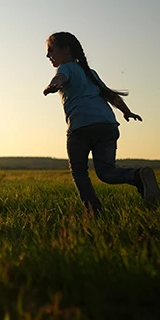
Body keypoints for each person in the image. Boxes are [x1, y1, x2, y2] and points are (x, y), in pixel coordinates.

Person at [43, 31, 158, 213]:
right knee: (106, 172)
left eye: (51, 50)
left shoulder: (66, 68)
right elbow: (109, 95)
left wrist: (53, 85)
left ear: (66, 50)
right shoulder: (90, 73)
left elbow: (60, 78)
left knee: (79, 171)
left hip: (81, 128)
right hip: (107, 125)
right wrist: (126, 112)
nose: (48, 55)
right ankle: (137, 176)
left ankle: (94, 211)